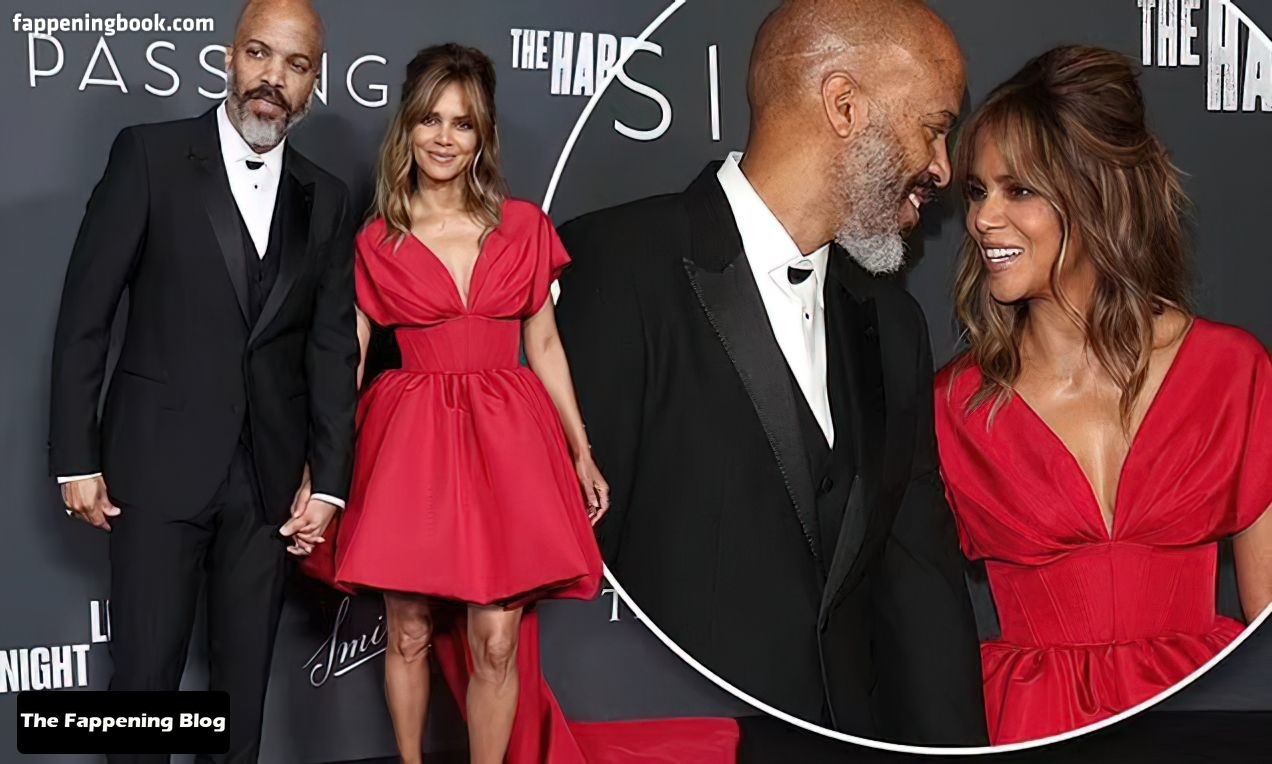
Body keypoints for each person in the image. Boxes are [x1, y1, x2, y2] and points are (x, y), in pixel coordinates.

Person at [554, 0, 987, 745]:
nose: (943, 169)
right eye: (934, 127)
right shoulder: (613, 267)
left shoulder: (893, 325)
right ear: (844, 106)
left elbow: (921, 595)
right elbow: (569, 577)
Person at [47, 0, 357, 760]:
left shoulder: (326, 195)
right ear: (229, 58)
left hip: (268, 485)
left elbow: (329, 348)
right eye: (259, 54)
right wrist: (75, 457)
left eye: (296, 65)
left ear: (314, 82)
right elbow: (85, 315)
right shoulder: (149, 156)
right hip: (154, 466)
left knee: (240, 696)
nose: (273, 78)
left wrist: (328, 483)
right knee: (144, 684)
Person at [936, 45, 1272, 745]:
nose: (982, 218)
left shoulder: (1233, 372)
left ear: (1095, 194)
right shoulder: (956, 407)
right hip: (1025, 728)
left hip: (1206, 715)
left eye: (1018, 191)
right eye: (977, 191)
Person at [329, 44, 608, 764]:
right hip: (410, 440)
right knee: (408, 631)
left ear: (483, 135)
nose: (444, 139)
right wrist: (319, 470)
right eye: (430, 120)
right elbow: (348, 359)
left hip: (509, 438)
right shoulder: (376, 241)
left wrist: (580, 450)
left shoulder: (525, 226)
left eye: (462, 123)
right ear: (408, 128)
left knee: (497, 640)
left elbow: (544, 345)